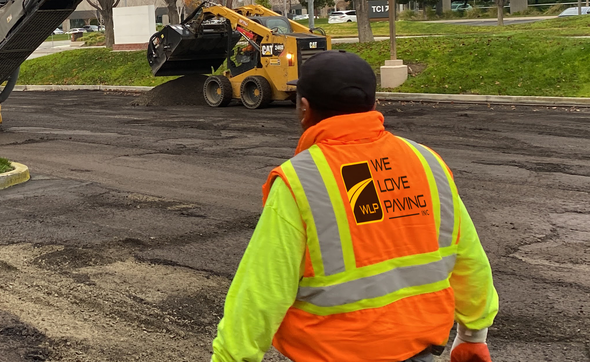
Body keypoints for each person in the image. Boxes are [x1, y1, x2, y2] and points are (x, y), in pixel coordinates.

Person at [211, 50, 498, 362]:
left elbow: (261, 292)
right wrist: (473, 335)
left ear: (304, 109)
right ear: (373, 106)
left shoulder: (301, 181)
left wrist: (230, 357)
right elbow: (470, 258)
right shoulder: (427, 163)